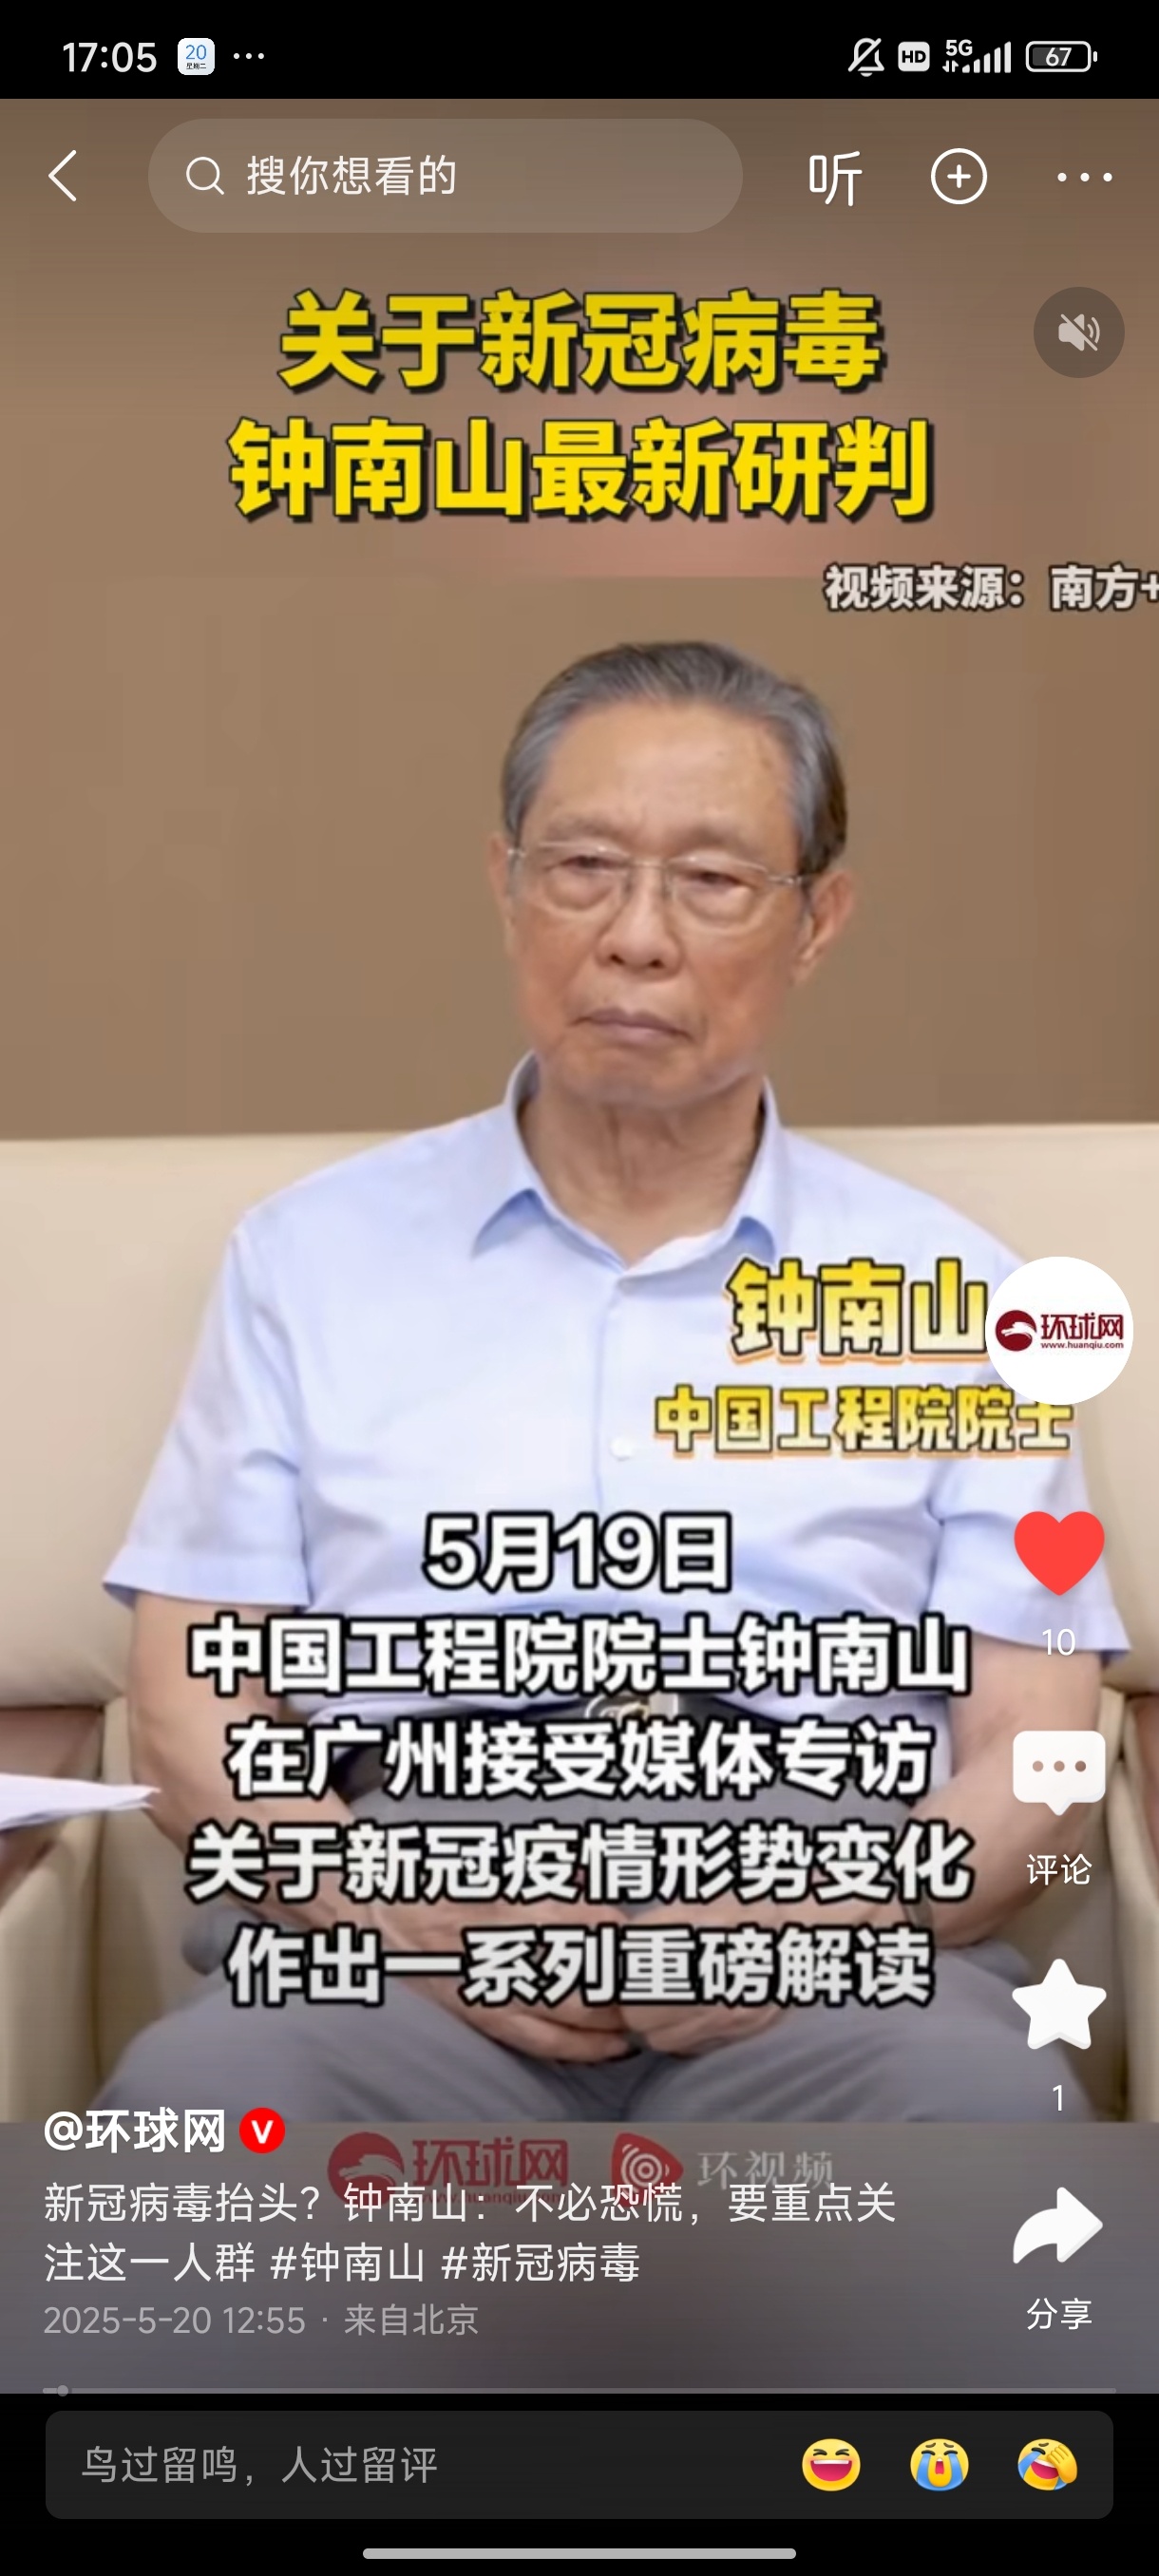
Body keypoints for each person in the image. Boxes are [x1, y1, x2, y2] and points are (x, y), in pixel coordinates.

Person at [98, 640, 1128, 2122]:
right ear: (505, 885)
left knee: (983, 2129)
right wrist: (402, 1911)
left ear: (818, 921)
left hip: (822, 1939)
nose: (636, 937)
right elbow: (193, 1701)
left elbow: (1039, 1742)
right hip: (400, 1921)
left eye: (711, 881)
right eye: (583, 867)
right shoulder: (306, 1260)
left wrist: (825, 1920)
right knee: (193, 2115)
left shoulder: (960, 1294)